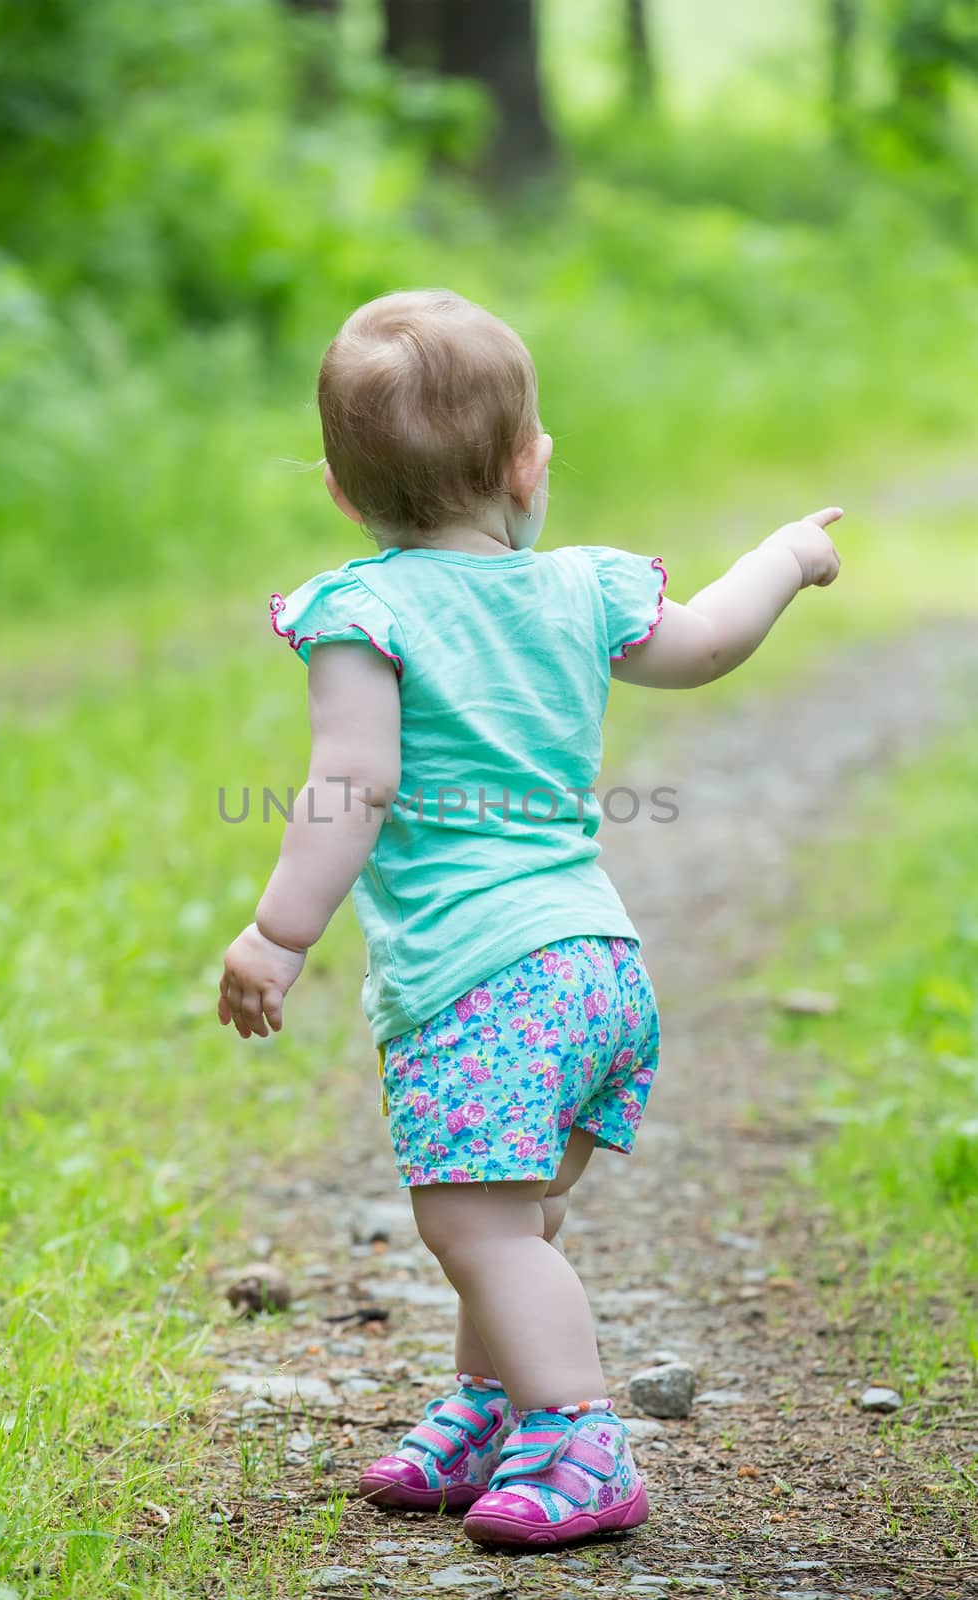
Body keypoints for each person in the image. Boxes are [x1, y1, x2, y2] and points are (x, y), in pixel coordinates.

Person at [217, 289, 842, 1551]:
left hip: (481, 983)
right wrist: (784, 554)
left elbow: (353, 781)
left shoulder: (361, 611)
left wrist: (278, 933)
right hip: (594, 971)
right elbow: (710, 641)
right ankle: (495, 1405)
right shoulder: (583, 589)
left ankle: (577, 1432)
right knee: (514, 1214)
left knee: (473, 1222)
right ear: (524, 463)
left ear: (342, 495)